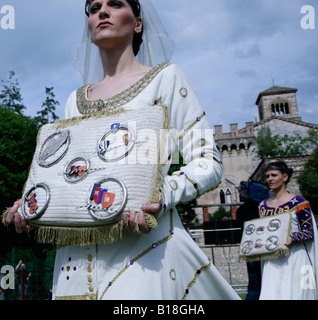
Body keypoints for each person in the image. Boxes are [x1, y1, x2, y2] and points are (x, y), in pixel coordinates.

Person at [5, 0, 239, 300]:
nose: (102, 12)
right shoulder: (74, 101)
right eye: (93, 8)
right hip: (73, 263)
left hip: (144, 253)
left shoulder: (166, 80)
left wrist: (159, 194)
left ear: (137, 23)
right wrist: (34, 208)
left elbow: (208, 161)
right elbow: (69, 180)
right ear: (89, 27)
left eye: (115, 4)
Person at [259, 161, 318, 300]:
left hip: (296, 258)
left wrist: (291, 238)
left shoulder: (299, 202)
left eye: (274, 175)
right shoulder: (263, 206)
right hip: (272, 261)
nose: (270, 179)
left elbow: (309, 232)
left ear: (285, 177)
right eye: (267, 176)